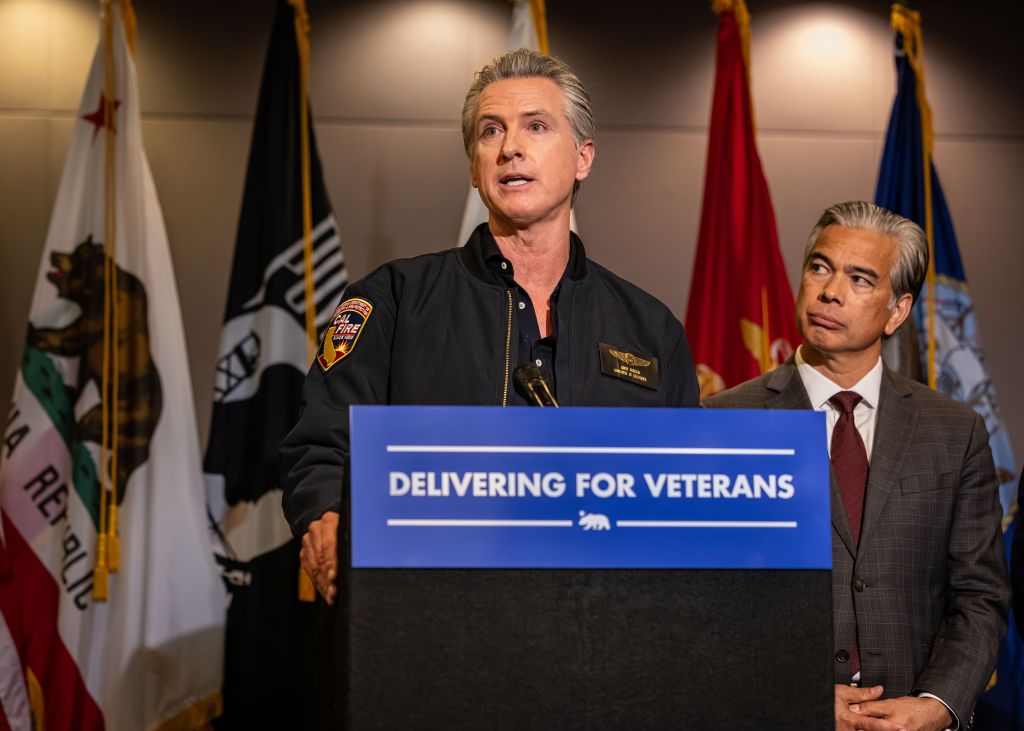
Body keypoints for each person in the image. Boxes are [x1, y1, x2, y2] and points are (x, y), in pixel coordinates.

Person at [280, 49, 699, 606]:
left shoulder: (650, 328)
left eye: (536, 126)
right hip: (428, 613)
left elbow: (687, 489)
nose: (510, 148)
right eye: (490, 132)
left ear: (583, 158)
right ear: (474, 168)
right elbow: (322, 445)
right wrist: (326, 519)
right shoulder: (392, 301)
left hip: (604, 625)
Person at [706, 201, 1009, 731]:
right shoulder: (721, 419)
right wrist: (790, 697)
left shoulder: (954, 431)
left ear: (898, 310)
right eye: (819, 268)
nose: (830, 292)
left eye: (860, 279)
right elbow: (701, 599)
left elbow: (980, 596)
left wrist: (940, 703)